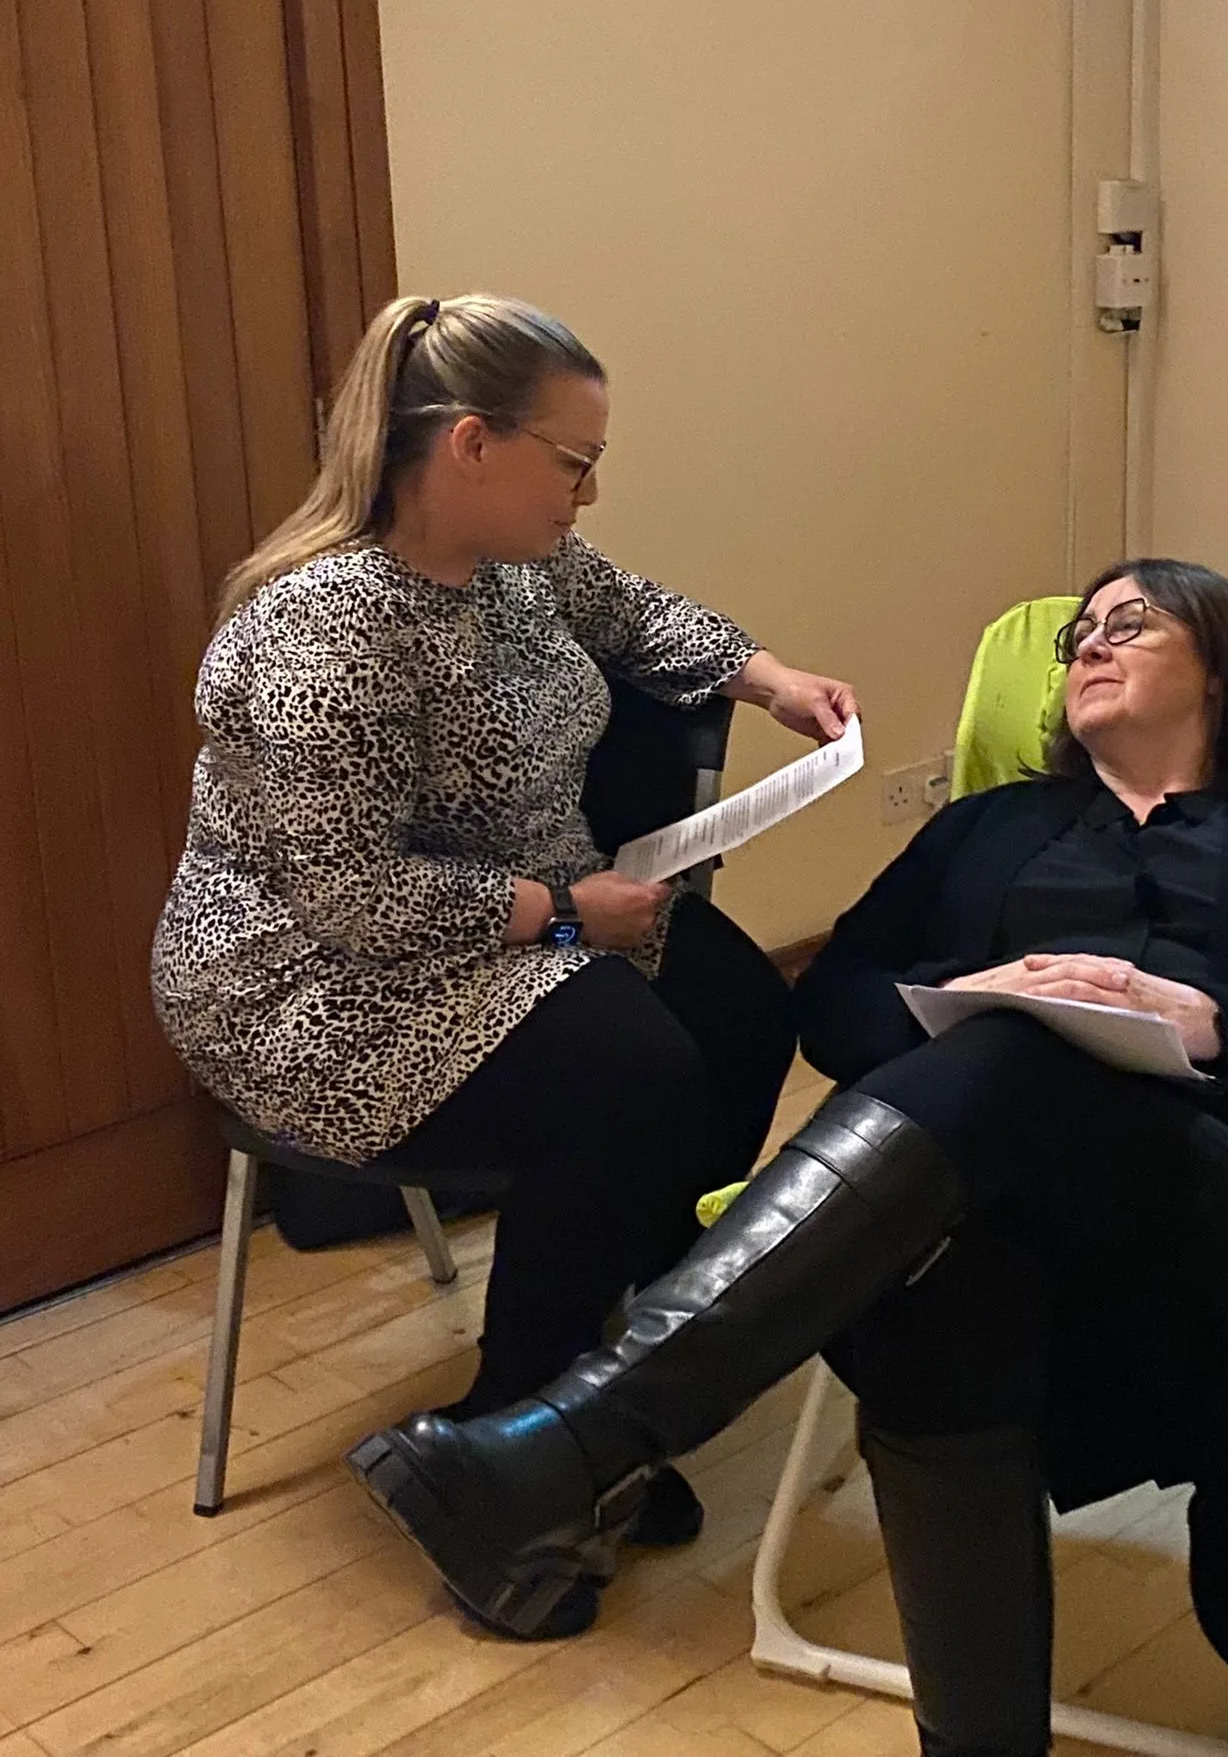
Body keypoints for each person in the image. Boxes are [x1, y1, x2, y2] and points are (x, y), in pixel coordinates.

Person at [345, 560, 1228, 1754]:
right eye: (1080, 633)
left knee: (1018, 1059)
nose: (1092, 644)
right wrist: (961, 992)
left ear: (1222, 666)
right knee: (935, 1298)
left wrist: (1211, 1021)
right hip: (997, 1201)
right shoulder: (990, 828)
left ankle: (579, 1438)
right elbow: (838, 996)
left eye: (1132, 622)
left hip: (1226, 1191)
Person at [153, 292, 856, 1638]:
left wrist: (771, 678)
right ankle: (512, 1444)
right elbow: (351, 896)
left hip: (519, 912)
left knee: (742, 1019)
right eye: (574, 461)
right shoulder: (325, 630)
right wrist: (567, 912)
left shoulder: (520, 562)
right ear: (472, 444)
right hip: (311, 984)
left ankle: (609, 1385)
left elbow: (633, 614)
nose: (590, 494)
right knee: (633, 1080)